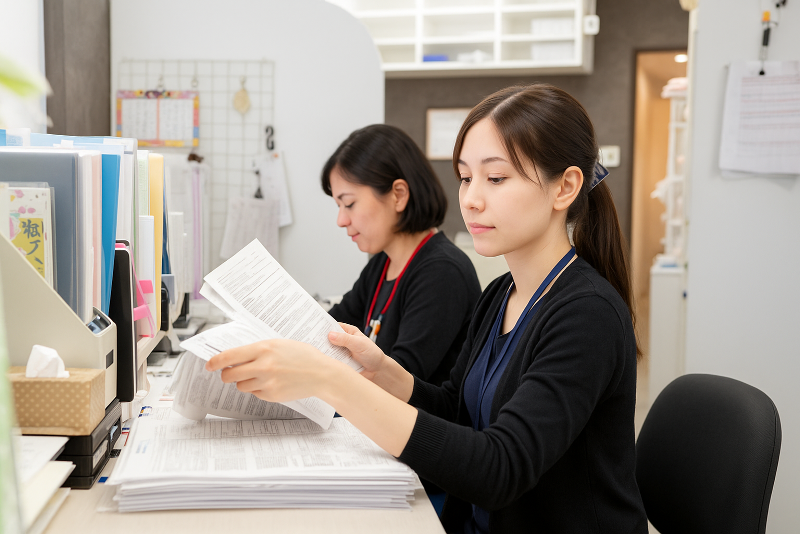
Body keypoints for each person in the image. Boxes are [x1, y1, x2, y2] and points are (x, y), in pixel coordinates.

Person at [206, 84, 649, 533]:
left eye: (495, 178)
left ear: (566, 187)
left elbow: (500, 468)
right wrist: (382, 371)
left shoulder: (586, 314)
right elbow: (458, 409)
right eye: (465, 177)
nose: (472, 198)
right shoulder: (502, 294)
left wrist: (332, 380)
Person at [322, 124, 481, 386]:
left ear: (398, 195)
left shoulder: (442, 271)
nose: (341, 219)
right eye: (339, 206)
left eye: (349, 203)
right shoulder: (381, 265)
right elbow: (330, 325)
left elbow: (400, 378)